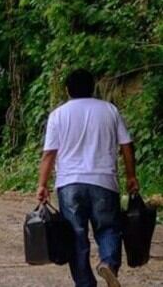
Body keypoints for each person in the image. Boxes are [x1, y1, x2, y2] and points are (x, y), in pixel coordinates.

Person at [36, 69, 138, 287]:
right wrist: (131, 177)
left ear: (67, 90)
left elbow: (49, 154)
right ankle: (108, 264)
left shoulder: (59, 115)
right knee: (109, 228)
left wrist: (42, 185)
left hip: (70, 185)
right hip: (104, 182)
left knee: (76, 237)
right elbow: (127, 147)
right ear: (93, 88)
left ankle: (84, 283)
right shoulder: (110, 110)